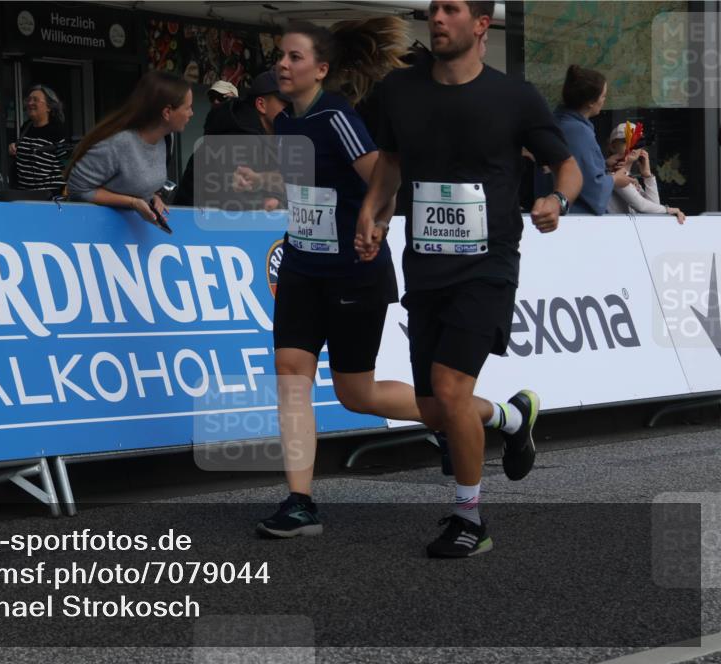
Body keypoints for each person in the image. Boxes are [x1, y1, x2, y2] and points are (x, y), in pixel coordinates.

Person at [237, 18, 538, 542]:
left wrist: (372, 220)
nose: (282, 66)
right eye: (279, 58)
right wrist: (270, 184)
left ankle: (503, 418)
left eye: (294, 58)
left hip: (353, 272)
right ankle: (300, 502)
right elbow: (310, 182)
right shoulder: (283, 122)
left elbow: (382, 176)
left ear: (321, 69)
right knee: (290, 375)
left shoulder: (338, 115)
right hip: (302, 267)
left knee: (359, 395)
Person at [359, 0, 583, 557]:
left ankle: (469, 518)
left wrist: (557, 198)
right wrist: (374, 212)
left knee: (453, 387)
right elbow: (389, 162)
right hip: (426, 262)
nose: (437, 18)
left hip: (490, 263)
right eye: (433, 9)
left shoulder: (514, 97)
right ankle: (510, 418)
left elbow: (570, 165)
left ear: (482, 24)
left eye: (451, 9)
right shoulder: (400, 91)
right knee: (434, 405)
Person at [65, 71, 193, 227]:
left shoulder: (164, 140)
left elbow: (133, 183)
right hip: (93, 233)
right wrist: (133, 202)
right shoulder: (118, 143)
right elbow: (77, 189)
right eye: (188, 108)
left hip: (129, 233)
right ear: (167, 112)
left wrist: (151, 198)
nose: (191, 113)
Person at [173, 69, 288, 210]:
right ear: (261, 105)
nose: (294, 111)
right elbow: (239, 208)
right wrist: (278, 203)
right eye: (287, 104)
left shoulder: (270, 138)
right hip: (197, 227)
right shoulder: (238, 142)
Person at [553, 65, 631, 214]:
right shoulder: (578, 132)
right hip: (577, 217)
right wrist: (614, 179)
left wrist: (603, 165)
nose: (604, 100)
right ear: (591, 101)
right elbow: (591, 186)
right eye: (603, 96)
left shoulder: (559, 122)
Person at [605, 124, 685, 223]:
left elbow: (654, 210)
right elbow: (642, 206)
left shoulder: (630, 177)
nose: (633, 146)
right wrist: (668, 210)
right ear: (613, 147)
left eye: (637, 142)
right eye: (626, 141)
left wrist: (647, 176)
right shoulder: (612, 174)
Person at [9, 84, 70, 191]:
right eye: (29, 100)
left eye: (35, 100)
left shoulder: (58, 131)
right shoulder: (26, 127)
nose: (30, 103)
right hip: (25, 196)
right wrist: (13, 148)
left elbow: (67, 166)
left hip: (50, 200)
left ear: (49, 107)